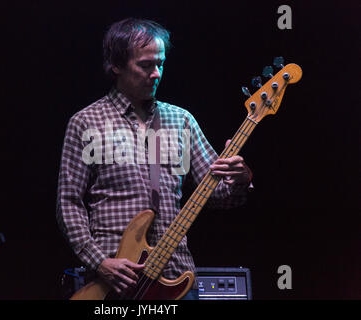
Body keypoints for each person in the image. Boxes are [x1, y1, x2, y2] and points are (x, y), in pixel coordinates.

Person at [56, 18, 252, 300]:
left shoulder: (181, 120)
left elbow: (220, 196)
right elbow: (68, 203)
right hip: (115, 282)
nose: (157, 73)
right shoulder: (86, 122)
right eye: (146, 65)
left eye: (160, 64)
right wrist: (99, 261)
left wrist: (241, 178)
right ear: (116, 65)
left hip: (176, 276)